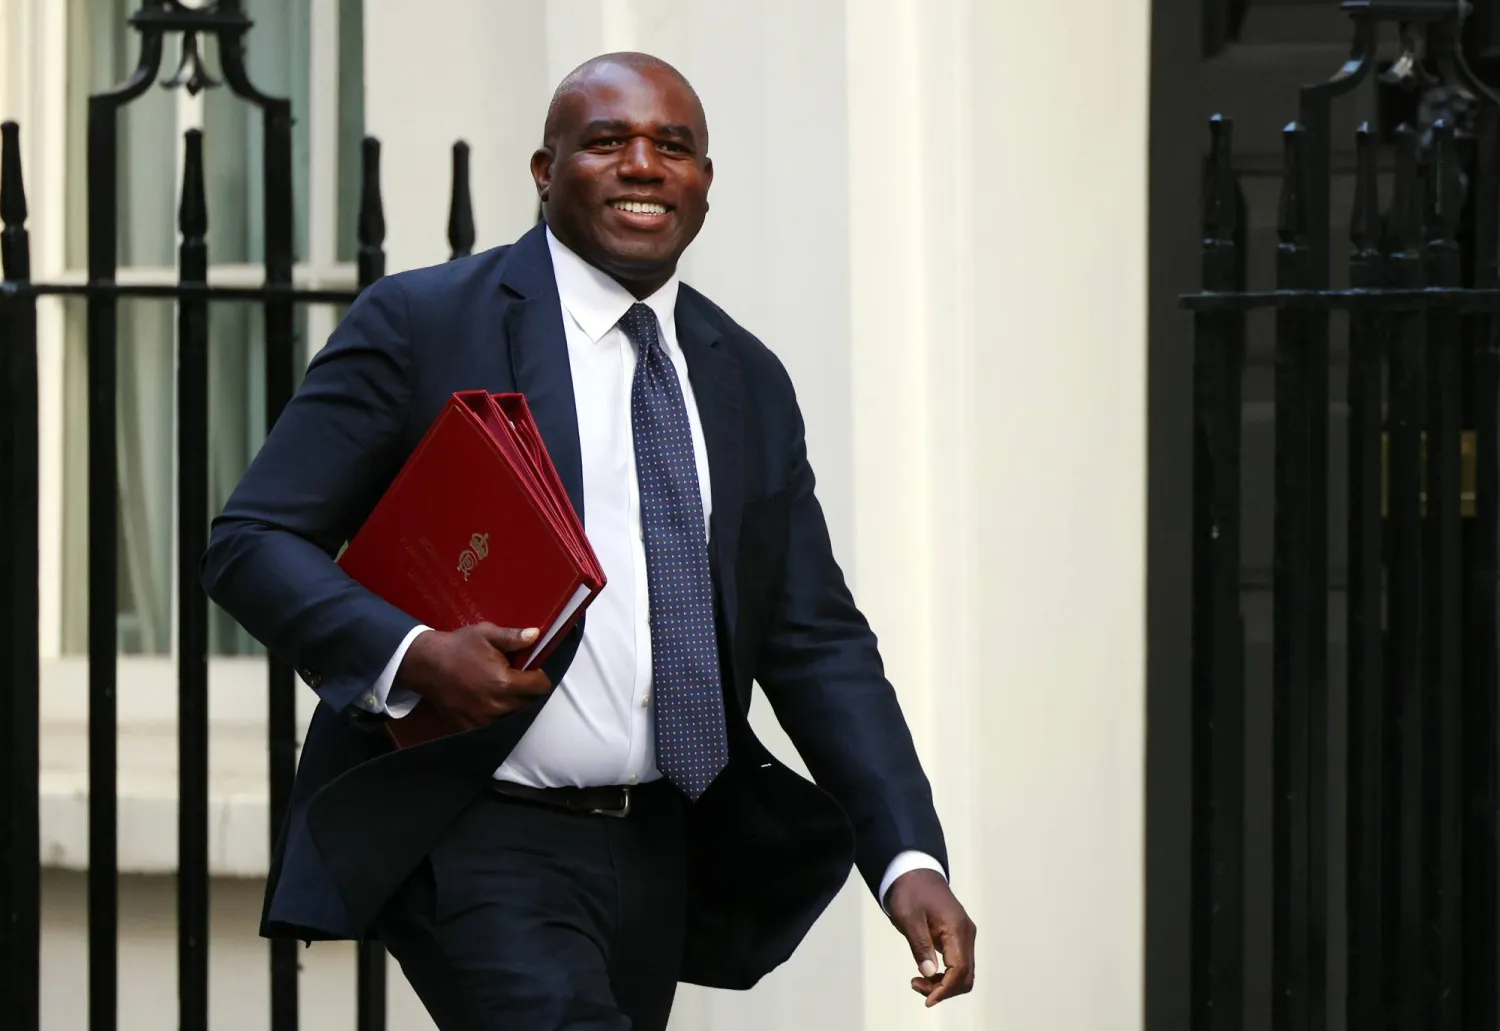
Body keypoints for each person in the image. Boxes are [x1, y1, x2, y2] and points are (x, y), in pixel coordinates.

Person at [202, 51, 976, 1030]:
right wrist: (416, 655)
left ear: (704, 182)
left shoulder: (745, 376)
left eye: (674, 147)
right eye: (608, 141)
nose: (644, 165)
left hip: (659, 842)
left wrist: (905, 853)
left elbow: (814, 638)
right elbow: (251, 540)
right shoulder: (426, 324)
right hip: (480, 827)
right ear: (545, 170)